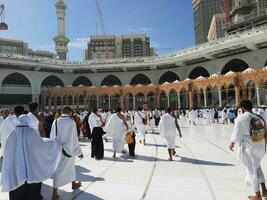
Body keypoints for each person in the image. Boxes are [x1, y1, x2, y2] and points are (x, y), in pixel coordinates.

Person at [1, 113, 61, 200]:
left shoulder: (12, 134)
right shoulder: (31, 132)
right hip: (31, 172)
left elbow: (8, 152)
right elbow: (41, 146)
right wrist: (54, 143)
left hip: (16, 172)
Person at [229, 100, 267, 200]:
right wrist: (264, 147)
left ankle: (257, 195)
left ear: (242, 108)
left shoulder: (241, 118)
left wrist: (232, 143)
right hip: (261, 147)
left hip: (250, 149)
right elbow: (265, 132)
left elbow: (236, 132)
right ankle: (264, 191)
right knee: (257, 168)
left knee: (251, 171)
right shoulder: (259, 117)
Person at [50, 106, 84, 200]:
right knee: (63, 169)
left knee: (64, 169)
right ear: (69, 112)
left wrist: (53, 149)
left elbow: (52, 136)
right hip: (68, 150)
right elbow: (74, 138)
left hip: (57, 150)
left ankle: (73, 183)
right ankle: (54, 193)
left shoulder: (55, 121)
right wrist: (79, 152)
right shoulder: (71, 122)